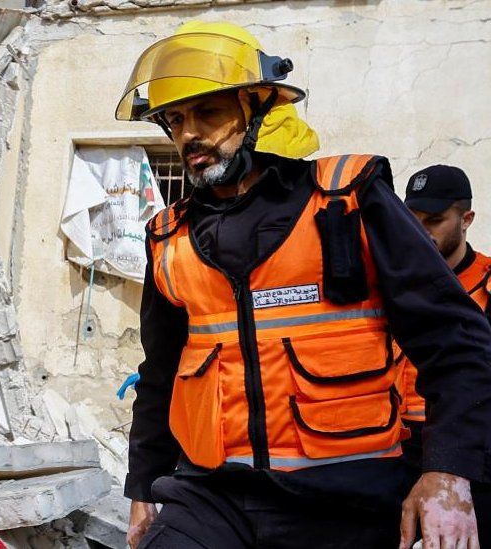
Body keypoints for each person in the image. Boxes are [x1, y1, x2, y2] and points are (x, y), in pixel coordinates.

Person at [117, 21, 491, 549]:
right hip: (214, 496)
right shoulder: (167, 236)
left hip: (351, 496)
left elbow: (456, 342)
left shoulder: (348, 201)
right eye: (174, 120)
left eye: (208, 111)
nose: (188, 133)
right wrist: (141, 487)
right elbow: (159, 374)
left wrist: (448, 471)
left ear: (257, 109)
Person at [400, 164, 491, 545]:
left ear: (466, 218)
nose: (421, 233)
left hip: (472, 450)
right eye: (412, 220)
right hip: (395, 448)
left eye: (435, 220)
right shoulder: (391, 285)